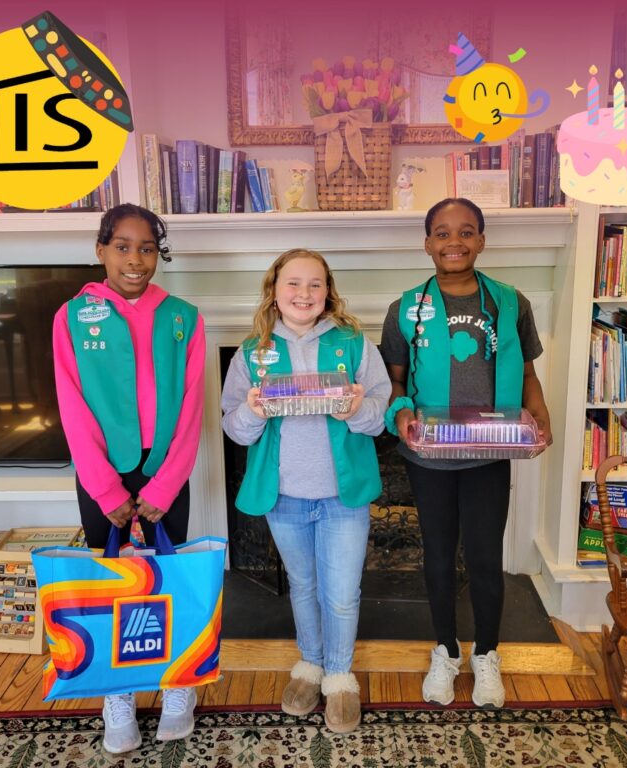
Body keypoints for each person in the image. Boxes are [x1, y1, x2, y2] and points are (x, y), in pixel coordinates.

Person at [380, 198, 552, 709]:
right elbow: (393, 386)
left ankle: (487, 655)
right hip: (429, 458)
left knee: (483, 556)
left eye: (466, 231)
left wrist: (540, 419)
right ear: (426, 241)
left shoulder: (510, 302)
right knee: (436, 554)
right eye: (441, 232)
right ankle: (445, 649)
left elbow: (526, 374)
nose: (454, 241)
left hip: (489, 455)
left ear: (481, 239)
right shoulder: (405, 309)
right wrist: (403, 416)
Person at [53, 203, 205, 753]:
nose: (135, 260)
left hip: (164, 471)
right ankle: (118, 694)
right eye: (122, 246)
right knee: (112, 584)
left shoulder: (183, 315)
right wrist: (106, 490)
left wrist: (164, 486)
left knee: (169, 580)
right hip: (102, 475)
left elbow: (191, 409)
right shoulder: (72, 316)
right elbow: (72, 405)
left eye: (147, 248)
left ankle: (178, 685)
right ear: (101, 250)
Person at [221, 248, 390, 733]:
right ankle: (310, 664)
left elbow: (379, 415)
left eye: (315, 284)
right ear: (274, 289)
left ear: (328, 291)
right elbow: (235, 429)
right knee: (303, 586)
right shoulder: (251, 352)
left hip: (343, 495)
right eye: (293, 283)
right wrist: (254, 409)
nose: (304, 293)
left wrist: (354, 410)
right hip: (285, 497)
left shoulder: (355, 344)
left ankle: (339, 676)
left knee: (340, 594)